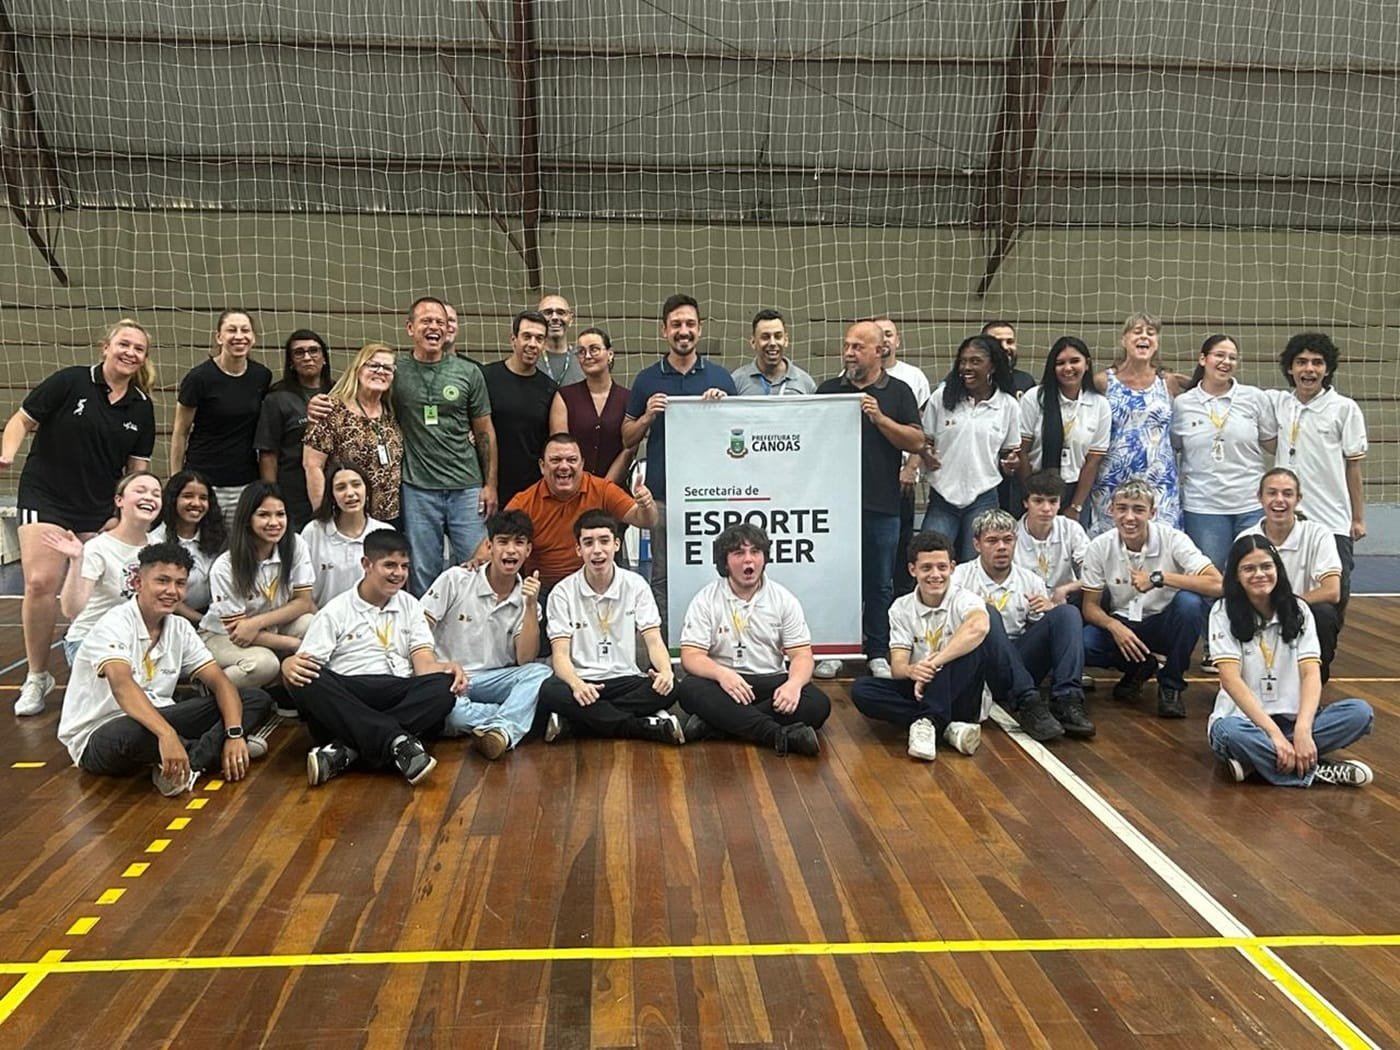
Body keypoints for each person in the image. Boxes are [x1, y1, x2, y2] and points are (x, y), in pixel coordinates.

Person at [1, 318, 156, 716]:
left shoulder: (141, 407)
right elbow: (21, 420)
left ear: (143, 359)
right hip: (46, 496)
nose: (130, 353)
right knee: (40, 582)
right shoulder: (70, 382)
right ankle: (37, 676)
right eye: (124, 344)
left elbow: (137, 471)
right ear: (106, 346)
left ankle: (97, 665)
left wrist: (122, 512)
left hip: (98, 506)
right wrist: (7, 453)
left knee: (91, 594)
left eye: (138, 349)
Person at [57, 541, 273, 796]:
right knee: (133, 731)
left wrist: (235, 733)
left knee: (254, 698)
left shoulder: (179, 627)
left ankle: (191, 761)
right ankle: (201, 754)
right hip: (102, 733)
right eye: (162, 581)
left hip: (160, 717)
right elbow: (122, 685)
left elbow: (219, 682)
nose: (172, 591)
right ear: (137, 583)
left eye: (180, 583)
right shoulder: (113, 624)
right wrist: (167, 734)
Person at [282, 528, 463, 787]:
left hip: (395, 688)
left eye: (404, 566)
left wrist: (448, 668)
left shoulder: (411, 605)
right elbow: (308, 664)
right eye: (389, 565)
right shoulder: (335, 610)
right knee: (304, 678)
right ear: (366, 564)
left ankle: (348, 750)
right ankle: (398, 742)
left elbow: (423, 663)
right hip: (351, 690)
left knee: (444, 687)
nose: (398, 573)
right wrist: (289, 665)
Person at [851, 531, 1036, 761]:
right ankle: (948, 729)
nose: (935, 575)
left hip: (962, 691)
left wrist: (933, 663)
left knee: (973, 647)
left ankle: (927, 722)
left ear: (952, 568)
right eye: (926, 568)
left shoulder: (965, 598)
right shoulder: (900, 607)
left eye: (941, 567)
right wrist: (912, 670)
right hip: (921, 687)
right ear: (912, 570)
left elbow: (979, 626)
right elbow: (898, 667)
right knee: (862, 690)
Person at [1207, 535, 1373, 787]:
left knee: (1360, 713)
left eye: (1266, 566)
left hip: (1293, 723)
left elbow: (1311, 674)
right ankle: (1314, 772)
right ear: (1236, 576)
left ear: (1277, 569)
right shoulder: (1222, 612)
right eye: (1248, 569)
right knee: (1230, 733)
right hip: (1245, 724)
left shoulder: (1299, 609)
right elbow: (1230, 680)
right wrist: (1274, 735)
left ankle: (1260, 763)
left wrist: (1303, 731)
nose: (1259, 574)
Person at [814, 320, 924, 680]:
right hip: (834, 506)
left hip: (883, 505)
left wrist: (880, 419)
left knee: (880, 582)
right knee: (836, 579)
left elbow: (915, 441)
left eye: (858, 347)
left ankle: (877, 649)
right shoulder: (827, 389)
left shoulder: (900, 392)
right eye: (847, 345)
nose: (848, 352)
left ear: (880, 351)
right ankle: (835, 647)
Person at [622, 294, 736, 625]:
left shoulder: (720, 378)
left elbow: (740, 435)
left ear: (699, 330)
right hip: (663, 494)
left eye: (689, 324)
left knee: (714, 569)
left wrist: (725, 408)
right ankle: (667, 647)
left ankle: (713, 640)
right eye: (676, 325)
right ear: (664, 331)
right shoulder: (647, 379)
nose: (682, 331)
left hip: (713, 496)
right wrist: (646, 417)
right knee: (662, 573)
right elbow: (627, 437)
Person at [673, 524, 831, 757]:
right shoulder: (706, 599)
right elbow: (691, 656)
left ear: (764, 558)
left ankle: (717, 725)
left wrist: (793, 685)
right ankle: (777, 734)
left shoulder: (784, 599)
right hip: (724, 685)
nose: (749, 560)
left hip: (770, 682)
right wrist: (722, 674)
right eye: (739, 553)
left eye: (755, 552)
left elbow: (802, 655)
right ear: (725, 562)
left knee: (818, 704)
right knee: (688, 689)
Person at [537, 511, 683, 744]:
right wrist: (576, 685)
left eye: (604, 541)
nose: (597, 550)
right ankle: (642, 727)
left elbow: (654, 640)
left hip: (625, 678)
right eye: (588, 543)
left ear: (616, 544)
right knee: (550, 691)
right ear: (578, 550)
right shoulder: (562, 592)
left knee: (671, 686)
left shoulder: (636, 585)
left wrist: (665, 671)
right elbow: (560, 655)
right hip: (583, 681)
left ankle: (578, 722)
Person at [1081, 478, 1222, 718]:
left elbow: (1218, 584)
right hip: (1124, 622)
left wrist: (1160, 578)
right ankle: (1139, 667)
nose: (1129, 517)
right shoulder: (1099, 546)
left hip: (1164, 623)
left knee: (1190, 604)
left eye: (1138, 509)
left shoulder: (1174, 539)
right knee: (1085, 643)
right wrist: (1114, 626)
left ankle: (1171, 685)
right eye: (1122, 508)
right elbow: (1089, 607)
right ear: (1111, 510)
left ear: (1152, 513)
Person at [422, 510, 552, 760]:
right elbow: (419, 627)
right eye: (503, 542)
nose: (511, 551)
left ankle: (502, 729)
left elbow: (525, 659)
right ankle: (519, 718)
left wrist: (530, 605)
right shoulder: (456, 579)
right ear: (489, 546)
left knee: (541, 672)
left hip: (493, 680)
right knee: (453, 714)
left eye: (519, 543)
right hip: (448, 678)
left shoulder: (528, 598)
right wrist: (434, 666)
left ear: (528, 550)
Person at [951, 510, 1091, 739]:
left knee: (1067, 613)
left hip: (1019, 660)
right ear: (977, 544)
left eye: (1008, 540)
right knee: (985, 612)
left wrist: (1049, 612)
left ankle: (1067, 700)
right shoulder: (959, 578)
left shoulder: (1030, 579)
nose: (1002, 547)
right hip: (980, 665)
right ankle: (1029, 703)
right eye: (992, 541)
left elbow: (1041, 632)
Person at [393, 296, 498, 595]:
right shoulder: (394, 370)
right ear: (410, 328)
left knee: (477, 564)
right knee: (423, 568)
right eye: (426, 321)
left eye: (440, 322)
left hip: (466, 487)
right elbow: (357, 393)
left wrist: (490, 484)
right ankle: (424, 637)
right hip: (417, 487)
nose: (434, 327)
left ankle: (473, 633)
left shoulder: (468, 372)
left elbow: (485, 431)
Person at [1269, 332, 1367, 621]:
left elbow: (1354, 468)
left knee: (1334, 597)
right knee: (1282, 590)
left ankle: (1322, 655)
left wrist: (1358, 518)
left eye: (1317, 362)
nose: (1309, 369)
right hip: (1287, 520)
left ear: (1327, 369)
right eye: (1301, 362)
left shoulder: (1344, 409)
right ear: (1290, 368)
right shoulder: (1279, 404)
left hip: (1332, 520)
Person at [500, 433, 659, 590]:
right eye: (556, 460)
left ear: (582, 464)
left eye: (572, 460)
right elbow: (496, 539)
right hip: (543, 590)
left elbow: (646, 520)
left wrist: (646, 505)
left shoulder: (602, 490)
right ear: (542, 466)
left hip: (595, 586)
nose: (564, 466)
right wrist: (479, 559)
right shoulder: (524, 501)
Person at [200, 482, 316, 690]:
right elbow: (239, 632)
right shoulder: (225, 566)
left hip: (264, 626)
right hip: (222, 635)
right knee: (264, 664)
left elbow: (304, 603)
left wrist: (255, 623)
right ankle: (210, 688)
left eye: (280, 514)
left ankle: (284, 689)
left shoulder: (295, 544)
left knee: (311, 624)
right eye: (263, 515)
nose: (274, 522)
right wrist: (293, 645)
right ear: (247, 519)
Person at [919, 334, 1021, 561]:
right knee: (931, 558)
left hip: (983, 497)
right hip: (942, 496)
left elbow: (1009, 453)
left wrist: (1011, 463)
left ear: (992, 365)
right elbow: (924, 440)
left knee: (976, 564)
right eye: (963, 361)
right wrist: (926, 454)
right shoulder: (941, 398)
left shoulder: (1008, 406)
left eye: (975, 361)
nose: (966, 367)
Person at [47, 471, 163, 667]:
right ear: (119, 500)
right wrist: (76, 561)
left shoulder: (158, 546)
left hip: (135, 640)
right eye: (140, 491)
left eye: (156, 494)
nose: (149, 497)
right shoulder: (98, 548)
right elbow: (70, 609)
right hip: (92, 639)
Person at [1089, 311, 1189, 536]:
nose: (1144, 336)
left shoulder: (1168, 382)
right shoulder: (1103, 382)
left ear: (1156, 342)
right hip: (1112, 481)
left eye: (1151, 333)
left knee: (1160, 547)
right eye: (1137, 331)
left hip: (1159, 482)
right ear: (1124, 340)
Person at [1239, 468, 1343, 682]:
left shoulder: (1318, 535)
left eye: (1287, 494)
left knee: (1324, 614)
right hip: (1259, 615)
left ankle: (1313, 688)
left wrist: (1287, 605)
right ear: (1260, 498)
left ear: (1298, 499)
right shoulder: (1246, 538)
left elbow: (1332, 591)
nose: (1279, 500)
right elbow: (1235, 590)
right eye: (1272, 493)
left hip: (1298, 614)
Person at [170, 310, 273, 523]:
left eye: (245, 330)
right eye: (231, 330)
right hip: (204, 481)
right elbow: (180, 432)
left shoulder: (261, 376)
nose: (239, 336)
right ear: (219, 337)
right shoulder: (198, 378)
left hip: (244, 482)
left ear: (253, 338)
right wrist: (176, 481)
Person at [303, 342, 405, 524]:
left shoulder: (391, 410)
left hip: (390, 517)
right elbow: (312, 466)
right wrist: (322, 516)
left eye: (387, 368)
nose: (380, 371)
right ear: (358, 369)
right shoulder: (331, 409)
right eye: (373, 365)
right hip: (348, 517)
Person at [1018, 336, 1110, 525]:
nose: (1068, 368)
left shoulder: (1100, 404)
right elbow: (1022, 451)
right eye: (1060, 363)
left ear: (1087, 364)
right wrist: (1031, 495)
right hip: (1036, 487)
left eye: (1075, 361)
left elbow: (1093, 460)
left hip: (1075, 490)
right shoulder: (1035, 398)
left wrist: (1076, 506)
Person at [873, 316, 931, 599]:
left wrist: (910, 467)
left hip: (904, 480)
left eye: (889, 335)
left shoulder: (913, 377)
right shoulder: (853, 376)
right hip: (871, 481)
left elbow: (922, 431)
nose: (884, 341)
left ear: (897, 341)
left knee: (901, 548)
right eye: (878, 335)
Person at [255, 329, 332, 529]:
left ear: (324, 358)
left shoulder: (339, 393)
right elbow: (268, 453)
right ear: (291, 361)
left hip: (334, 486)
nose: (307, 357)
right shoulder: (277, 398)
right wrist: (272, 494)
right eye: (299, 352)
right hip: (293, 490)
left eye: (314, 351)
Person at [483, 310, 558, 508]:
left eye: (539, 339)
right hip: (488, 488)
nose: (532, 344)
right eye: (527, 336)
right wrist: (488, 485)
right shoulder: (486, 377)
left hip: (531, 490)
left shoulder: (550, 388)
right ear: (513, 340)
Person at [548, 326, 633, 485]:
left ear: (610, 354)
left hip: (614, 492)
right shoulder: (564, 397)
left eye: (594, 349)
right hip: (573, 489)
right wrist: (584, 488)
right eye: (581, 351)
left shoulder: (627, 398)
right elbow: (560, 448)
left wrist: (604, 489)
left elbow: (629, 449)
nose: (587, 356)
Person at [300, 460, 392, 606]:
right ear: (332, 496)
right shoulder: (313, 532)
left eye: (356, 485)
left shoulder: (385, 533)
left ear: (366, 489)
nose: (350, 493)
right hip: (320, 620)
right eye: (341, 488)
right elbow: (301, 592)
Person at [148, 470, 228, 626]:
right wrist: (204, 622)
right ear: (173, 499)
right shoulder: (156, 541)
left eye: (203, 498)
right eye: (188, 496)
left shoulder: (218, 537)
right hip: (171, 619)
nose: (196, 503)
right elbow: (164, 595)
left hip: (214, 615)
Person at [982, 320, 1036, 515]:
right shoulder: (968, 381)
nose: (1006, 347)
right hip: (981, 470)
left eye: (1010, 341)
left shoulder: (1026, 381)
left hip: (1018, 473)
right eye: (998, 342)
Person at [1015, 469, 1089, 607]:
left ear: (1060, 503)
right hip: (1026, 605)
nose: (1046, 508)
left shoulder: (1071, 528)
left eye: (1053, 501)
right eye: (1038, 501)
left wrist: (1066, 589)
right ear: (1025, 503)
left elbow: (1095, 573)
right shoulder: (1011, 535)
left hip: (1065, 601)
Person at [730, 309, 817, 395]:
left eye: (778, 336)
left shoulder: (805, 383)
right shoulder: (737, 381)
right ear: (753, 342)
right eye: (765, 337)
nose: (772, 343)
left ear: (786, 340)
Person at [537, 293, 586, 385]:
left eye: (561, 312)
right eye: (548, 312)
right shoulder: (530, 358)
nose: (555, 317)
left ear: (571, 319)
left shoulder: (584, 359)